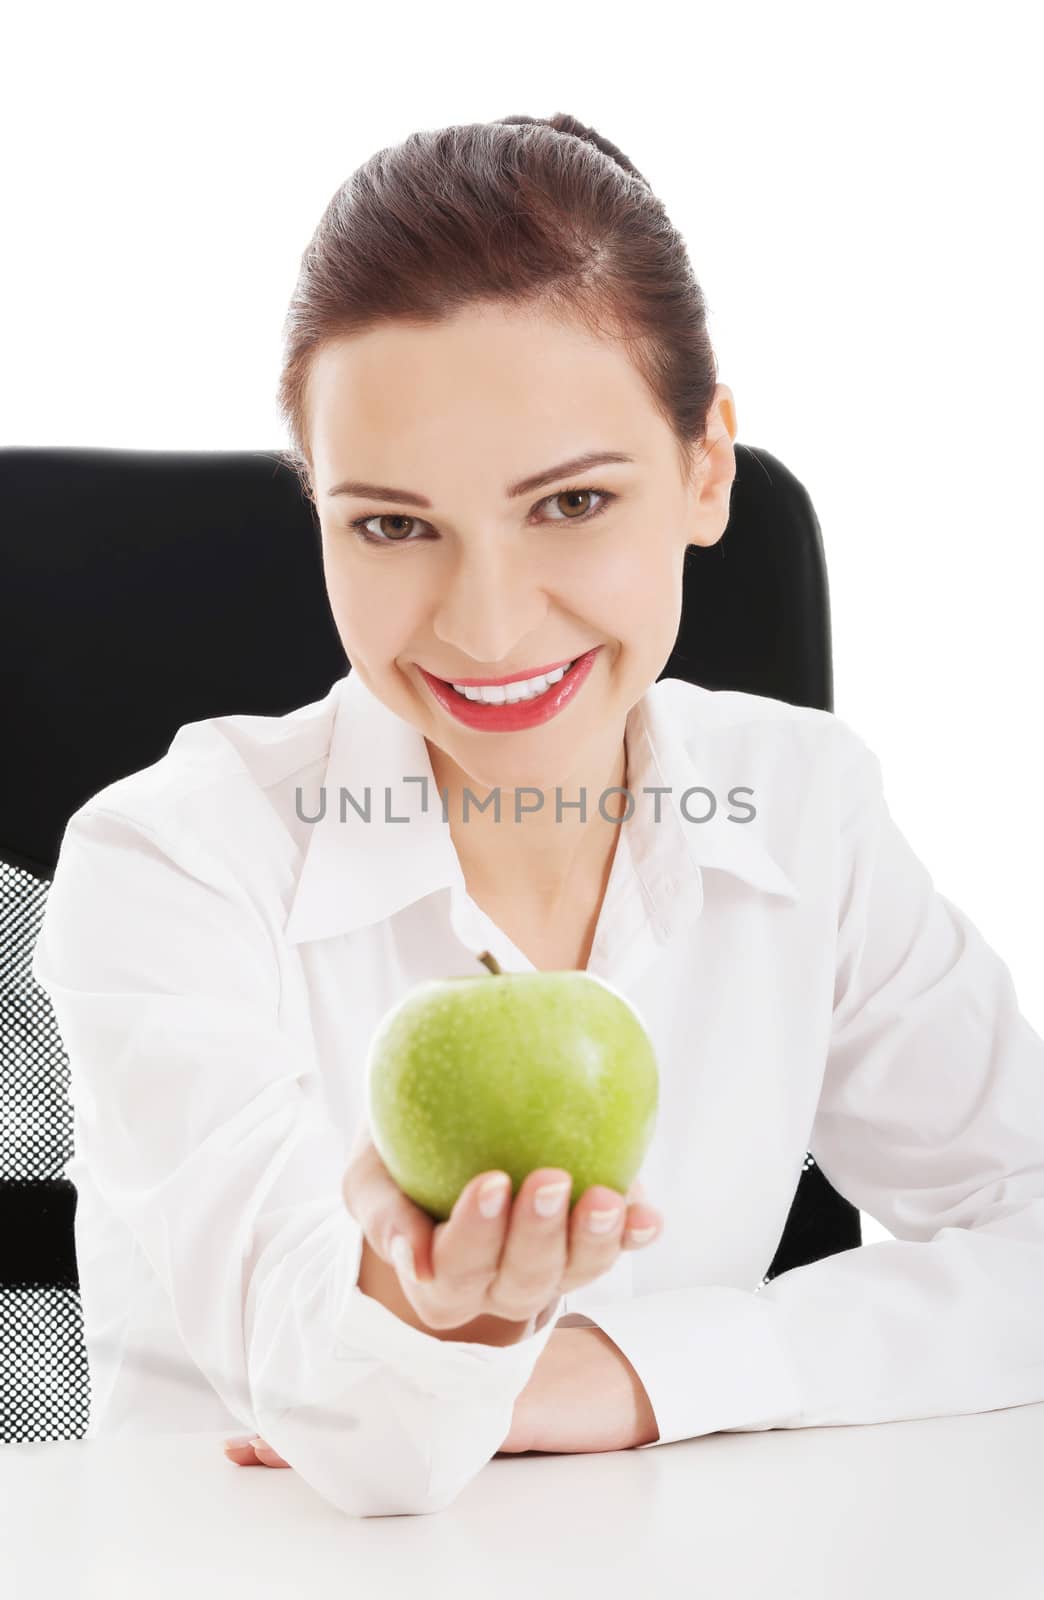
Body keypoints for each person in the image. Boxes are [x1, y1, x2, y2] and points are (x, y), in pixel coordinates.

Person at [31, 111, 1044, 1519]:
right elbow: (340, 1436)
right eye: (392, 525)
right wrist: (443, 1327)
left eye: (570, 503)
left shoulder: (801, 811)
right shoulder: (170, 864)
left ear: (705, 471)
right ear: (317, 508)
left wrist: (633, 1370)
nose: (489, 626)